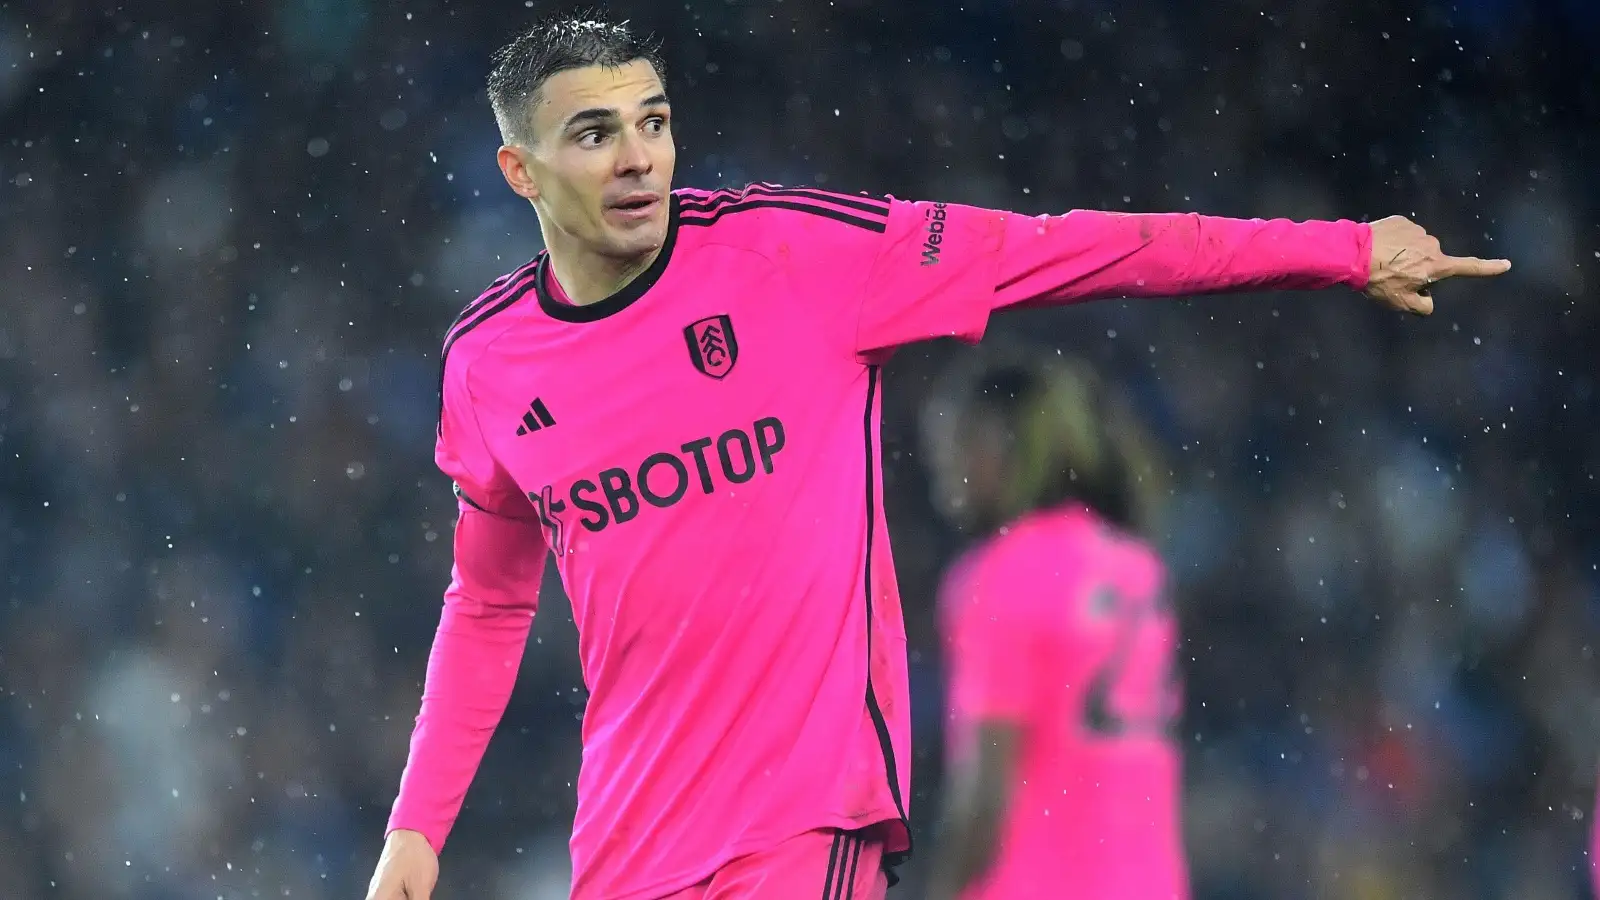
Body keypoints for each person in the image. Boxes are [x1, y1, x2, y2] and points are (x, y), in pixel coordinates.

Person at [363, 12, 1511, 900]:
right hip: (623, 840)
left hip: (802, 817)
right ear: (520, 172)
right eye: (594, 132)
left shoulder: (793, 254)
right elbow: (488, 604)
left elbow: (1072, 251)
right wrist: (417, 830)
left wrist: (1340, 249)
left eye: (654, 121)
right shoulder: (489, 364)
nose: (638, 158)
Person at [919, 347, 1182, 899]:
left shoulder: (998, 576)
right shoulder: (1138, 567)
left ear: (1000, 444)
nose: (943, 466)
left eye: (955, 442)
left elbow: (985, 798)